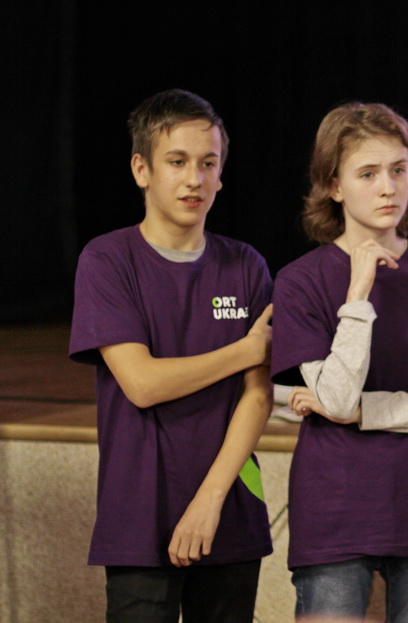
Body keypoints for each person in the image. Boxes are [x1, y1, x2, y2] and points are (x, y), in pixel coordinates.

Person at [271, 102, 408, 622]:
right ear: (334, 185)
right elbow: (335, 398)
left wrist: (363, 413)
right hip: (335, 511)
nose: (388, 187)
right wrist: (358, 295)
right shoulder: (300, 281)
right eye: (368, 173)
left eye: (399, 169)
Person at [69, 89, 274, 623]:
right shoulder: (107, 260)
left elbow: (258, 397)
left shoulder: (246, 265)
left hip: (229, 510)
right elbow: (143, 384)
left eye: (209, 163)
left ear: (221, 174)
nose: (194, 179)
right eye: (177, 162)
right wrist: (245, 350)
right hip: (140, 517)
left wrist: (210, 500)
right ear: (142, 169)